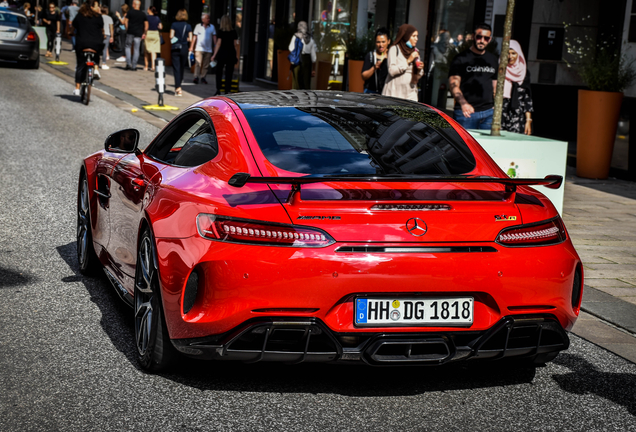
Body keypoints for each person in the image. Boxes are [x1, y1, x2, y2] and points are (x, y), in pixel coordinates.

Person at [448, 23, 498, 130]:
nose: (482, 40)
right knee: (464, 146)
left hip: (489, 113)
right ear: (473, 36)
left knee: (486, 146)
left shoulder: (493, 59)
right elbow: (453, 85)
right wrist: (464, 103)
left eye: (486, 38)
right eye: (479, 37)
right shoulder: (461, 58)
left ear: (490, 39)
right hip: (466, 113)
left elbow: (495, 86)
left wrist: (495, 107)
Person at [382, 24, 424, 101]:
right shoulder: (394, 49)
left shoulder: (415, 51)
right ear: (406, 36)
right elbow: (391, 71)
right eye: (413, 36)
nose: (416, 39)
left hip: (410, 94)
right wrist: (408, 61)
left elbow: (418, 76)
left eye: (417, 36)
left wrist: (419, 69)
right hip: (394, 94)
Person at [71, 0, 104, 95]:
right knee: (98, 50)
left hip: (82, 44)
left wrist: (71, 32)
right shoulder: (99, 17)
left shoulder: (80, 16)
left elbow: (73, 27)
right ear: (92, 7)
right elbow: (102, 29)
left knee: (80, 65)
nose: (99, 8)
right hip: (95, 44)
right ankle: (96, 68)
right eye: (98, 6)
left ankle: (77, 88)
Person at [502, 40, 534, 135]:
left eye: (513, 53)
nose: (510, 56)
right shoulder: (500, 70)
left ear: (518, 54)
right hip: (500, 115)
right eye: (507, 53)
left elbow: (527, 98)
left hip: (518, 117)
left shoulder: (524, 72)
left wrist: (528, 120)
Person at [211, 14, 238, 95]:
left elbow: (218, 44)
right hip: (231, 54)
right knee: (229, 72)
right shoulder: (234, 32)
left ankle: (218, 89)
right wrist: (236, 55)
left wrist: (214, 54)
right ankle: (227, 90)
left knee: (219, 71)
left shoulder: (221, 32)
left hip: (222, 54)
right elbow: (235, 45)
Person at [288, 21, 316, 90]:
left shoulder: (296, 36)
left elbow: (290, 48)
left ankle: (296, 97)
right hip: (307, 60)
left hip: (298, 59)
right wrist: (313, 69)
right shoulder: (310, 39)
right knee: (306, 81)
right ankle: (306, 97)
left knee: (296, 81)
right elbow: (313, 57)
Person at [170, 8, 192, 97]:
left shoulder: (174, 24)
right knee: (182, 67)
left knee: (176, 68)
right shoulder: (188, 26)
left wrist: (177, 40)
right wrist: (184, 40)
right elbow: (190, 38)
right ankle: (180, 83)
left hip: (175, 48)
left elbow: (171, 36)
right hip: (184, 48)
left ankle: (178, 87)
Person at [361, 27, 390, 94]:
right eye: (378, 42)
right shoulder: (370, 55)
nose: (381, 45)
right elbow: (363, 76)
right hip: (370, 92)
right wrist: (374, 68)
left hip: (387, 92)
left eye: (383, 42)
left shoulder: (392, 56)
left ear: (388, 41)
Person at [190, 13, 216, 84]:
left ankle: (203, 77)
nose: (209, 20)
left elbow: (214, 37)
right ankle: (196, 77)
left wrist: (215, 46)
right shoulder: (198, 26)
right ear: (203, 19)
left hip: (208, 49)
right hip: (199, 48)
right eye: (207, 18)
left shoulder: (212, 27)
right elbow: (194, 37)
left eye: (209, 18)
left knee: (206, 65)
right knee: (198, 63)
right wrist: (192, 47)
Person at [123, 0, 147, 71]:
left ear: (133, 5)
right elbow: (146, 25)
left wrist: (127, 29)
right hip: (138, 33)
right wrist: (144, 33)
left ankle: (128, 63)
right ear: (139, 5)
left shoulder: (130, 12)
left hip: (130, 32)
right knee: (136, 49)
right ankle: (134, 66)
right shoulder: (143, 14)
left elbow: (125, 21)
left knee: (128, 47)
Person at [144, 6, 162, 71]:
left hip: (148, 33)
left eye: (148, 9)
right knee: (153, 51)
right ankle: (153, 66)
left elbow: (144, 26)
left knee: (146, 51)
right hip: (155, 34)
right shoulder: (157, 18)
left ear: (149, 10)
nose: (147, 10)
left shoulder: (146, 17)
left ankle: (146, 66)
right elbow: (160, 27)